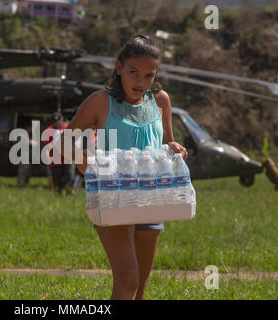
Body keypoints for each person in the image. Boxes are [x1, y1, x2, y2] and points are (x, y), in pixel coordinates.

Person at [63, 35, 188, 300]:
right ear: (119, 68)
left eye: (149, 75)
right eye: (133, 72)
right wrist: (81, 159)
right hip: (112, 197)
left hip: (153, 199)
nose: (141, 82)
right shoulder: (100, 101)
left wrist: (175, 148)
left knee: (140, 287)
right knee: (128, 278)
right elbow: (65, 139)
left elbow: (167, 140)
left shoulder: (161, 100)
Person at [43, 112, 75, 195]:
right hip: (55, 160)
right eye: (55, 122)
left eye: (58, 122)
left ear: (62, 120)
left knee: (70, 176)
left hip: (68, 158)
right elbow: (47, 146)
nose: (57, 124)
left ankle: (67, 190)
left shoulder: (68, 128)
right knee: (56, 181)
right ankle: (59, 194)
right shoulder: (48, 131)